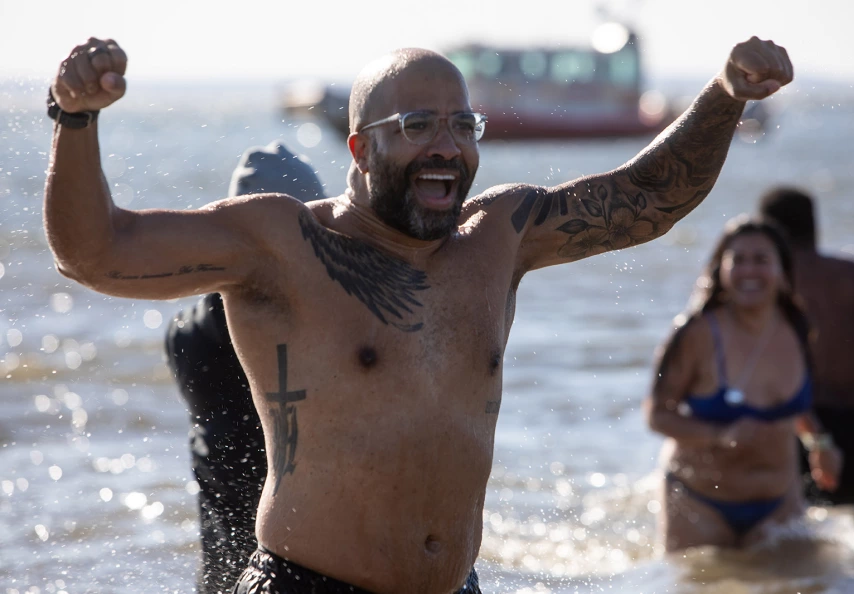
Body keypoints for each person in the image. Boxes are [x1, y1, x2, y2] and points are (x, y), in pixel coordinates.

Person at [44, 35, 793, 593]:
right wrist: (75, 120)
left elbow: (645, 199)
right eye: (418, 126)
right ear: (359, 148)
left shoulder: (498, 236)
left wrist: (725, 93)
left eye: (464, 127)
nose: (447, 147)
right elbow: (98, 253)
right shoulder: (283, 241)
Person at [164, 140, 325, 593]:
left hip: (222, 565)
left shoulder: (185, 330)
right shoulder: (311, 323)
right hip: (294, 569)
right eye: (313, 230)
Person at [644, 216, 841, 551]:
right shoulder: (697, 333)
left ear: (782, 271)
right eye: (738, 260)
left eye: (762, 260)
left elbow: (797, 405)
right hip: (699, 502)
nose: (749, 271)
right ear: (720, 269)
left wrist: (820, 442)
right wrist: (719, 435)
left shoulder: (797, 328)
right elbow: (657, 415)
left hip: (779, 502)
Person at [758, 187, 854, 505]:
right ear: (813, 224)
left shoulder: (769, 285)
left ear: (767, 230)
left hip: (799, 431)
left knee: (797, 541)